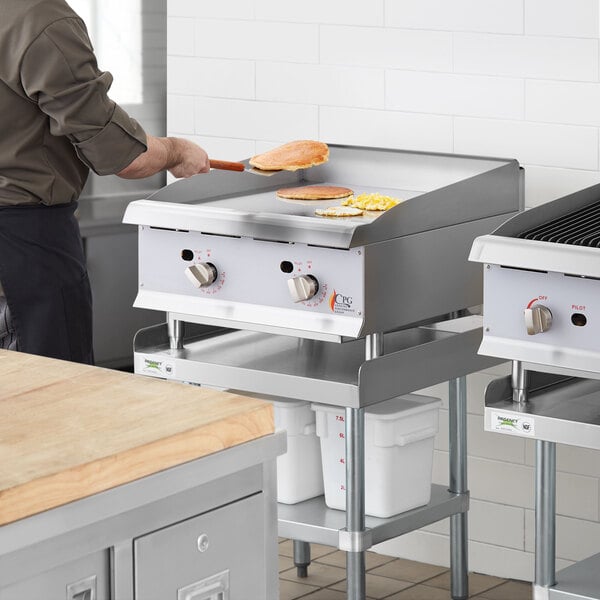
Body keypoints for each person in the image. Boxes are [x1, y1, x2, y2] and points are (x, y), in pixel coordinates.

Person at [0, 0, 211, 364]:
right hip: (25, 244)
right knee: (56, 398)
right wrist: (177, 152)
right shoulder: (40, 19)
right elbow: (123, 156)